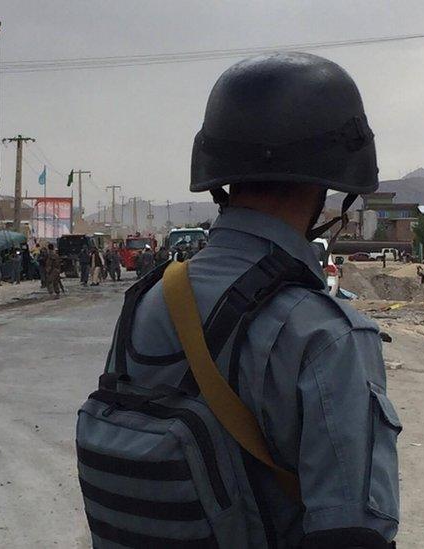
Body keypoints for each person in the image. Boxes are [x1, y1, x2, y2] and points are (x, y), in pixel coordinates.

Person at [81, 53, 399, 547]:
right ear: (333, 183)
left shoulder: (148, 299)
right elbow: (353, 533)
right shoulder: (325, 335)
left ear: (219, 175)